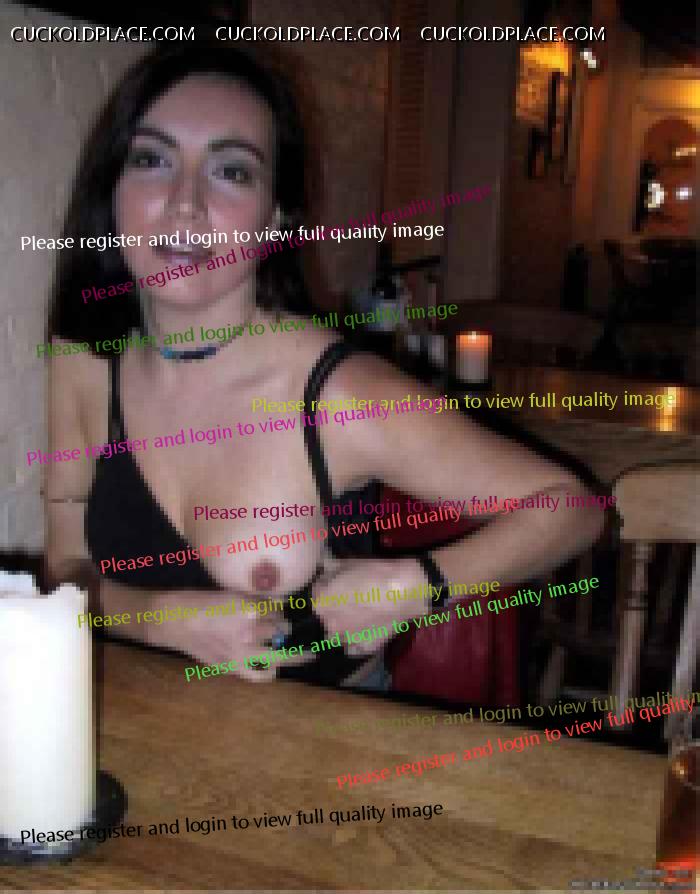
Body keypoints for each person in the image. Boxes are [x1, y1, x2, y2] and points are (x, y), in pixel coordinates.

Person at [45, 44, 603, 688]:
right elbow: (65, 568)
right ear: (111, 191)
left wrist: (414, 585)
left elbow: (574, 508)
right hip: (145, 722)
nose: (185, 202)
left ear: (276, 217)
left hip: (323, 729)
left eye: (232, 171)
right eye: (152, 160)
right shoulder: (84, 363)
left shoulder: (337, 394)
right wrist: (157, 620)